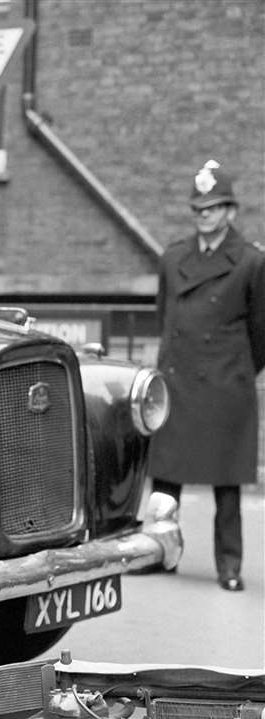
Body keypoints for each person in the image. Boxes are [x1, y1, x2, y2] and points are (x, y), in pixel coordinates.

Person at [146, 159, 265, 592]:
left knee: (227, 482)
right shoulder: (173, 258)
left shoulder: (251, 262)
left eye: (213, 207)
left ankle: (229, 565)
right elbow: (165, 317)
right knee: (167, 479)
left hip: (225, 384)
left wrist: (236, 371)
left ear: (230, 211)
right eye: (199, 208)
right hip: (179, 381)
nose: (204, 215)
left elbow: (261, 330)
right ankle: (161, 552)